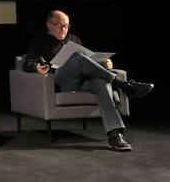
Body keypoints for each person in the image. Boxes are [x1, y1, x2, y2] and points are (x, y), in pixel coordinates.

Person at [23, 10, 155, 151]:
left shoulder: (74, 39)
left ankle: (115, 135)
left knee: (102, 83)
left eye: (67, 26)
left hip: (82, 82)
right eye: (60, 26)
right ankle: (122, 84)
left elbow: (89, 61)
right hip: (62, 81)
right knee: (77, 57)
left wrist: (103, 64)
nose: (64, 29)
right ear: (49, 25)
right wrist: (37, 67)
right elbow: (27, 64)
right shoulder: (39, 42)